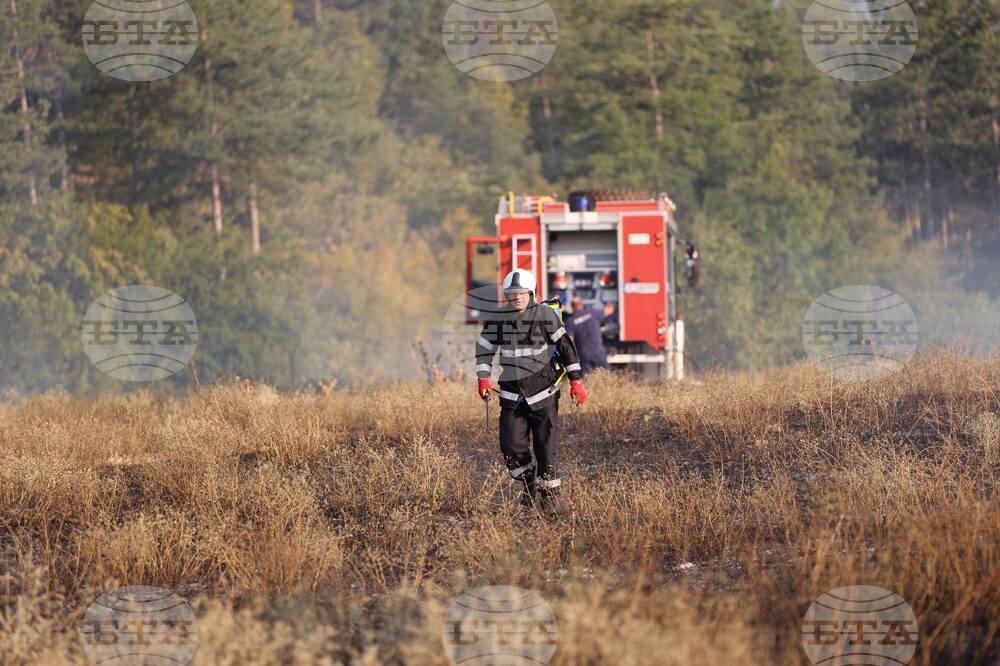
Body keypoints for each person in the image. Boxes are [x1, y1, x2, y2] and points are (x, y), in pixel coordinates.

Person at [475, 269, 588, 510]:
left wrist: (576, 381)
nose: (516, 298)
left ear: (531, 293)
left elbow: (566, 347)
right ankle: (528, 485)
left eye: (520, 294)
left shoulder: (546, 316)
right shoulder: (497, 319)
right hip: (512, 395)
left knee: (545, 447)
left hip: (544, 392)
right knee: (511, 447)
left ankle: (549, 499)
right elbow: (484, 348)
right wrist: (483, 377)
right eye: (511, 295)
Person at [565, 296, 609, 373]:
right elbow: (608, 311)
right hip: (598, 349)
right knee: (604, 374)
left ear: (572, 307)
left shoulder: (570, 321)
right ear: (582, 304)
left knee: (587, 378)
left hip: (584, 352)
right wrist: (610, 303)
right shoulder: (592, 312)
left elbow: (569, 341)